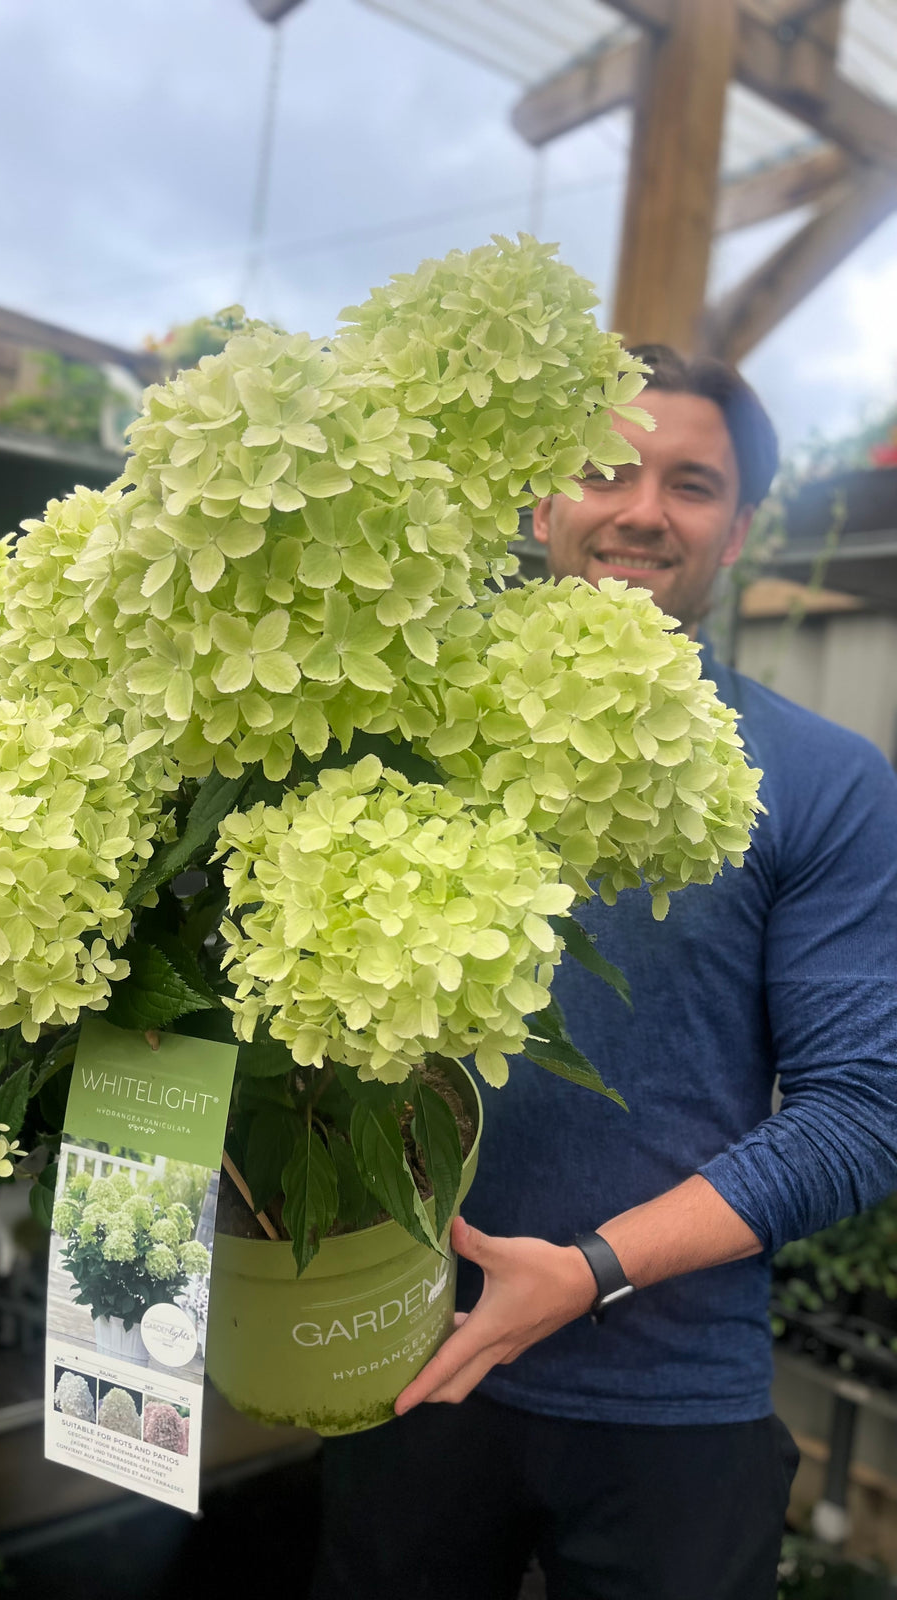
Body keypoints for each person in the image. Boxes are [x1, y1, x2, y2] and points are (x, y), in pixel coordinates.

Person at [310, 346, 897, 1600]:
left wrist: (589, 1270)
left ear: (738, 528)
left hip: (674, 1404)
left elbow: (864, 1112)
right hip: (407, 1355)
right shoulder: (396, 730)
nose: (640, 508)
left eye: (691, 482)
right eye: (603, 467)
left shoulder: (822, 779)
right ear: (541, 503)